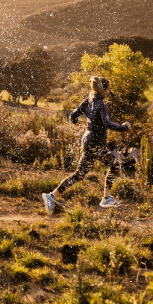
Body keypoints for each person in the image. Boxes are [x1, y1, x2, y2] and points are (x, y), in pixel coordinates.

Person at [43, 76, 130, 214]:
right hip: (96, 144)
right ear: (103, 90)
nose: (109, 92)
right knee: (114, 166)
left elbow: (73, 115)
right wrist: (124, 127)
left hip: (88, 142)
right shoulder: (102, 106)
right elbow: (108, 123)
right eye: (109, 90)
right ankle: (106, 198)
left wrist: (76, 121)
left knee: (79, 174)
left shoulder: (88, 101)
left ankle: (52, 196)